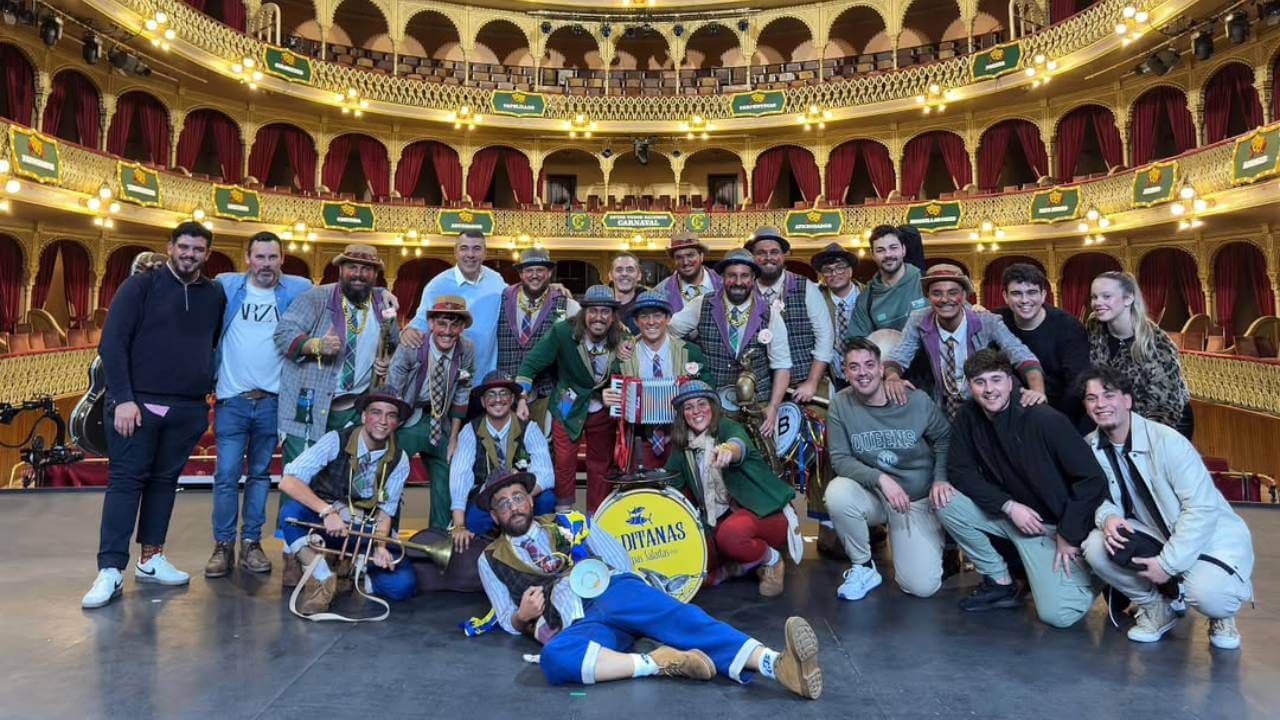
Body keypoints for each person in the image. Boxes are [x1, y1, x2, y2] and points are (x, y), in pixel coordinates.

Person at [475, 469, 823, 698]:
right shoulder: (489, 557)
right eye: (503, 504)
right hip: (575, 623)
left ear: (530, 499)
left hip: (612, 592)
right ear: (494, 516)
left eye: (518, 497)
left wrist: (598, 575)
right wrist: (523, 616)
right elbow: (506, 617)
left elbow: (621, 561)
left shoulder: (571, 520)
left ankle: (775, 664)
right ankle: (659, 661)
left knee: (684, 619)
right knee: (555, 659)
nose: (513, 507)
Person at [83, 221, 227, 609]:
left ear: (207, 254)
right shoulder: (140, 286)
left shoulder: (214, 294)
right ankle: (111, 569)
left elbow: (209, 343)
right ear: (170, 247)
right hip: (137, 406)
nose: (189, 254)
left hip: (187, 409)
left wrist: (200, 399)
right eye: (183, 247)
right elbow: (112, 345)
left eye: (198, 249)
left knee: (164, 483)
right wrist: (124, 399)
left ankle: (151, 559)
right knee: (126, 483)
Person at [1078, 367, 1253, 649]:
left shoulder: (1168, 442)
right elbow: (1096, 496)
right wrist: (1107, 516)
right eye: (1092, 398)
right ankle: (1159, 608)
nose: (1100, 404)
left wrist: (1167, 564)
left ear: (1127, 400)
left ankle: (1223, 615)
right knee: (1096, 546)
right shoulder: (1090, 446)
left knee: (1211, 595)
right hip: (1153, 530)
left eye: (1108, 396)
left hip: (1207, 536)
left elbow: (1201, 510)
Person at [938, 349, 1107, 628]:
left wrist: (1069, 533)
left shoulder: (1044, 419)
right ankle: (1000, 581)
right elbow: (960, 470)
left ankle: (1095, 574)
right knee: (945, 501)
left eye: (996, 380)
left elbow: (1091, 480)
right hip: (1011, 516)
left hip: (1050, 528)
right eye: (980, 382)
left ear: (1010, 381)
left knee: (1059, 616)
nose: (989, 389)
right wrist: (1009, 506)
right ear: (970, 386)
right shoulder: (968, 416)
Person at [205, 232, 312, 579]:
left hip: (272, 402)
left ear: (282, 259)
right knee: (225, 475)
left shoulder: (298, 288)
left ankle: (251, 542)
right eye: (260, 257)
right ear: (247, 258)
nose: (266, 264)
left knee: (260, 476)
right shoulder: (226, 285)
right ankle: (222, 545)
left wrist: (381, 293)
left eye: (273, 257)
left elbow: (335, 295)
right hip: (232, 400)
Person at [825, 338, 954, 601]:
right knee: (837, 492)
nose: (863, 373)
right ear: (845, 372)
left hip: (915, 499)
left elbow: (945, 439)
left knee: (922, 587)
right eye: (854, 367)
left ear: (882, 368)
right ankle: (863, 566)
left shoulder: (914, 400)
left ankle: (931, 533)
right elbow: (840, 459)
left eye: (869, 365)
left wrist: (940, 479)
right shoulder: (840, 404)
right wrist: (880, 478)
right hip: (875, 495)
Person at [277, 388, 418, 616]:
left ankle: (351, 575)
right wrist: (326, 511)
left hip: (362, 530)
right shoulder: (335, 440)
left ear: (397, 423)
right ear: (364, 417)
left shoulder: (400, 459)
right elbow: (288, 482)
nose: (382, 421)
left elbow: (386, 513)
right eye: (376, 413)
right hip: (327, 526)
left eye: (390, 415)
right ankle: (324, 578)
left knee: (404, 585)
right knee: (291, 514)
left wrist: (381, 547)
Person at [664, 380, 800, 597]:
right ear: (682, 415)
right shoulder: (683, 447)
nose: (696, 411)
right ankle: (739, 566)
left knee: (731, 536)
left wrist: (729, 450)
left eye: (702, 404)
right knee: (695, 571)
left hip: (763, 512)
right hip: (715, 520)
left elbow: (738, 445)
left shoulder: (728, 428)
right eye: (688, 407)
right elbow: (669, 483)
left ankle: (772, 560)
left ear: (713, 407)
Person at [274, 244, 397, 464]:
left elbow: (395, 346)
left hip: (355, 410)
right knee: (299, 480)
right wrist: (315, 345)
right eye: (352, 267)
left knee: (342, 482)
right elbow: (283, 334)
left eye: (366, 269)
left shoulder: (382, 305)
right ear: (340, 269)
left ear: (375, 274)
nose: (358, 274)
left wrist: (387, 361)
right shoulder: (316, 298)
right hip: (309, 405)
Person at [883, 264, 1047, 421]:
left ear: (964, 295)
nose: (945, 299)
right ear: (928, 296)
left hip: (984, 407)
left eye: (953, 292)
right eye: (937, 293)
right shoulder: (919, 319)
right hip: (942, 407)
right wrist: (892, 376)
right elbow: (899, 356)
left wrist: (1037, 393)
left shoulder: (986, 320)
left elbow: (1022, 356)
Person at [516, 285, 626, 513]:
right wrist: (522, 396)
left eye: (605, 312)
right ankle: (564, 516)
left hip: (603, 408)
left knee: (600, 465)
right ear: (583, 312)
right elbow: (531, 364)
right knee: (564, 461)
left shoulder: (623, 338)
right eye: (593, 310)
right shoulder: (563, 332)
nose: (599, 317)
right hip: (567, 399)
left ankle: (595, 517)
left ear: (612, 315)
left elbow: (630, 374)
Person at [669, 249, 792, 438]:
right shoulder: (702, 304)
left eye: (744, 276)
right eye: (731, 275)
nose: (738, 282)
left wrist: (773, 407)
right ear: (722, 278)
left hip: (757, 405)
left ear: (753, 279)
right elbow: (670, 331)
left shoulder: (770, 313)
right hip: (712, 404)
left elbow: (782, 365)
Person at [388, 296, 476, 530]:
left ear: (463, 327)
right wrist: (390, 433)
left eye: (455, 324)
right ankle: (387, 535)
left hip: (441, 421)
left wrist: (454, 438)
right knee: (391, 474)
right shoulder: (412, 346)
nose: (447, 331)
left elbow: (462, 393)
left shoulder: (466, 349)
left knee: (448, 476)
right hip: (408, 418)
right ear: (430, 324)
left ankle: (438, 539)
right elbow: (393, 390)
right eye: (442, 323)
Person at [604, 290, 710, 470]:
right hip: (640, 441)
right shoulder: (624, 356)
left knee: (683, 494)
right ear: (636, 322)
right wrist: (607, 396)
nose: (651, 322)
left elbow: (708, 389)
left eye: (657, 315)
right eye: (644, 317)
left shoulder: (690, 352)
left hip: (683, 439)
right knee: (643, 494)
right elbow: (612, 393)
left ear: (668, 318)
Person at [449, 370, 557, 543]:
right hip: (488, 496)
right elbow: (460, 477)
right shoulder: (470, 431)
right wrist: (459, 525)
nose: (498, 399)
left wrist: (524, 496)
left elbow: (546, 474)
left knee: (546, 500)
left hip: (521, 496)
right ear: (483, 402)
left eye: (503, 394)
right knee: (473, 521)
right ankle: (491, 553)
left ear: (512, 399)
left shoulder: (530, 428)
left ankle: (538, 545)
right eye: (491, 394)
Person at [1087, 271, 1193, 439]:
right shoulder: (1094, 326)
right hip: (1119, 419)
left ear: (1128, 298)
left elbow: (1165, 406)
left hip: (1167, 421)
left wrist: (1139, 439)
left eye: (1106, 296)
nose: (1098, 303)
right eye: (1094, 297)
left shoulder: (1157, 345)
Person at [994, 262, 1091, 428]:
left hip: (1061, 414)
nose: (1025, 300)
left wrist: (1048, 420)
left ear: (1044, 294)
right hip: (1010, 414)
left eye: (1032, 292)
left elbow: (1077, 384)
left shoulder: (1068, 327)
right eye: (1016, 293)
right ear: (1005, 296)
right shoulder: (996, 321)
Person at [494, 247, 580, 428]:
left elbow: (593, 325)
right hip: (503, 392)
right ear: (520, 274)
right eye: (529, 270)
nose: (535, 275)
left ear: (549, 273)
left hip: (545, 394)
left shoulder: (564, 304)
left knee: (543, 447)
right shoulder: (502, 299)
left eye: (540, 270)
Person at [401, 231, 506, 377]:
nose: (470, 254)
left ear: (484, 253)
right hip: (448, 377)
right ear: (455, 252)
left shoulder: (496, 281)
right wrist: (409, 330)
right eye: (464, 248)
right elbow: (421, 322)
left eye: (477, 248)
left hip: (486, 375)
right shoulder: (437, 285)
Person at [847, 224, 928, 339]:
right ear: (873, 255)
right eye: (880, 250)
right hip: (887, 356)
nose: (888, 254)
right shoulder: (867, 297)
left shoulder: (926, 281)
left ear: (903, 250)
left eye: (893, 247)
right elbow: (857, 339)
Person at [811, 242, 862, 393]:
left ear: (850, 271)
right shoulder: (816, 300)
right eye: (827, 270)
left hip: (866, 374)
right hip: (833, 377)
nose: (834, 274)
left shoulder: (868, 296)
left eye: (840, 267)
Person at [657, 230, 721, 313]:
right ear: (674, 261)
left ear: (701, 256)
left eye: (690, 255)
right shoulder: (661, 291)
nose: (685, 262)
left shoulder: (722, 285)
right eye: (679, 257)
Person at [608, 251, 648, 334]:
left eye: (630, 270)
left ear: (639, 276)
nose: (624, 274)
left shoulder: (650, 305)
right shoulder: (599, 305)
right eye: (619, 270)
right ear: (610, 276)